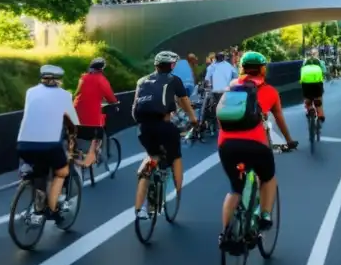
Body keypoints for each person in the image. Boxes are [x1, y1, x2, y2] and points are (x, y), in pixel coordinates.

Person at [216, 51, 297, 251]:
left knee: (236, 188)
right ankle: (266, 215)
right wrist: (289, 141)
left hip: (227, 145)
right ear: (262, 69)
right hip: (256, 145)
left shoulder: (231, 88)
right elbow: (279, 119)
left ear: (242, 68)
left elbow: (220, 117)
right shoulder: (269, 91)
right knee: (268, 177)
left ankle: (226, 234)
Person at [132, 50, 197, 220]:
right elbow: (184, 101)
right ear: (172, 66)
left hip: (144, 128)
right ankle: (178, 191)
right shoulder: (173, 80)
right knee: (175, 156)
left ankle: (140, 209)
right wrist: (193, 119)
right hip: (164, 126)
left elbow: (134, 109)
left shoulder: (142, 81)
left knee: (152, 156)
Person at [16, 66, 79, 222]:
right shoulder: (64, 95)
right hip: (49, 144)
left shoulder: (30, 92)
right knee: (62, 172)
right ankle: (52, 209)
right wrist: (73, 136)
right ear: (59, 81)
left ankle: (37, 201)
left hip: (23, 143)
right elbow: (73, 121)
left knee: (39, 170)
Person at [73, 57, 118, 168]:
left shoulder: (82, 78)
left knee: (76, 136)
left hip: (75, 115)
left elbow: (77, 93)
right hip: (92, 120)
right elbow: (110, 97)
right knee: (99, 133)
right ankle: (95, 155)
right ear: (102, 69)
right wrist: (115, 104)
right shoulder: (101, 80)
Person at [203, 51, 238, 127]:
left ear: (215, 58)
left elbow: (207, 80)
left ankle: (217, 122)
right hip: (227, 91)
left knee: (215, 106)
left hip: (216, 91)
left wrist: (208, 85)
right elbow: (236, 76)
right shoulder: (229, 66)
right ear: (224, 58)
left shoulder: (211, 67)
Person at [299, 51, 326, 127]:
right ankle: (320, 114)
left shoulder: (305, 61)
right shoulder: (319, 61)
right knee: (318, 98)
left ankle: (310, 108)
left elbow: (302, 72)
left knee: (307, 98)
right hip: (317, 83)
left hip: (306, 84)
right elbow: (324, 71)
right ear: (317, 54)